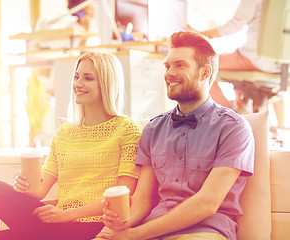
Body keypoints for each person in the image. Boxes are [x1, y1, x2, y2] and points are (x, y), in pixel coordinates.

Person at [96, 31, 255, 240]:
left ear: (204, 72)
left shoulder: (234, 128)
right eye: (167, 66)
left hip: (206, 230)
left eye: (180, 65)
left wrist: (134, 235)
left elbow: (207, 203)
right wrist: (121, 222)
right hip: (153, 229)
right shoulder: (153, 129)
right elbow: (143, 200)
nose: (169, 72)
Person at [0, 51, 143, 240]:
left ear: (107, 84)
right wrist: (26, 185)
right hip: (61, 222)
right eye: (76, 77)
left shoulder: (127, 130)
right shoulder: (65, 132)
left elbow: (123, 197)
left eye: (88, 78)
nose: (78, 84)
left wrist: (67, 215)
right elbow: (39, 190)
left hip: (96, 225)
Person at [189, 0, 281, 112]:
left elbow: (234, 26)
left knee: (202, 66)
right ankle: (243, 108)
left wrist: (199, 35)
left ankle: (226, 115)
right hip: (281, 68)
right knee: (234, 71)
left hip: (254, 60)